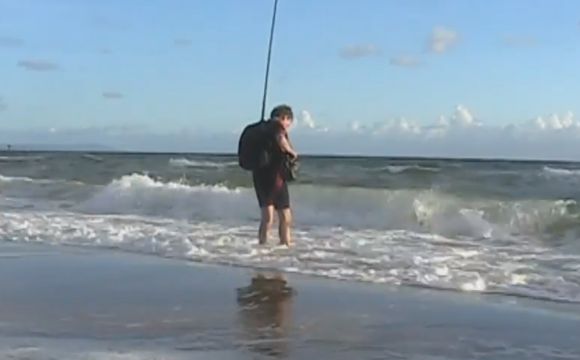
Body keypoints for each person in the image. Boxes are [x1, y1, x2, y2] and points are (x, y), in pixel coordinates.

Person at [252, 104, 298, 246]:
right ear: (285, 118)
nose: (288, 126)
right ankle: (285, 244)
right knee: (284, 215)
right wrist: (293, 153)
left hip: (260, 177)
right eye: (289, 122)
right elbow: (281, 141)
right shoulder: (277, 127)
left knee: (268, 217)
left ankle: (262, 246)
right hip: (275, 178)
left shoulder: (261, 130)